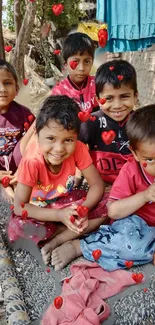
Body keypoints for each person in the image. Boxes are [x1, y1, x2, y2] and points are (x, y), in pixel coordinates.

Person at [7, 95, 109, 265]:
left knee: (110, 201)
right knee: (16, 230)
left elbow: (97, 184)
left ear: (76, 137)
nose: (59, 149)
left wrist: (83, 210)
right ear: (37, 135)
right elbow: (20, 206)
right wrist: (58, 215)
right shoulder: (32, 161)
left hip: (67, 203)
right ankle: (72, 230)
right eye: (51, 139)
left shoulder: (79, 149)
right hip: (39, 211)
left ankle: (58, 239)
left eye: (68, 140)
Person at [52, 105, 155, 271]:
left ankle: (148, 251)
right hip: (134, 224)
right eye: (150, 160)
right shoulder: (131, 171)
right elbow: (113, 211)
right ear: (135, 154)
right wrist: (145, 196)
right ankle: (81, 246)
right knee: (129, 244)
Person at [79, 59, 138, 185]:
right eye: (109, 98)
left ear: (135, 96)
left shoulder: (142, 123)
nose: (117, 105)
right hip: (101, 186)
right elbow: (73, 147)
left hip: (136, 187)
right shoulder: (91, 122)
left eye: (124, 96)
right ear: (98, 99)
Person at [0, 59, 35, 203]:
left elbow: (35, 141)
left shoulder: (23, 113)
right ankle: (4, 185)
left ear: (17, 89)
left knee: (35, 132)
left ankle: (20, 181)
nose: (2, 89)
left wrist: (22, 170)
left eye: (7, 83)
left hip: (19, 166)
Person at [51, 32, 99, 112]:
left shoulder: (98, 85)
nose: (81, 68)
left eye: (87, 62)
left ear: (92, 62)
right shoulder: (59, 92)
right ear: (65, 64)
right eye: (75, 62)